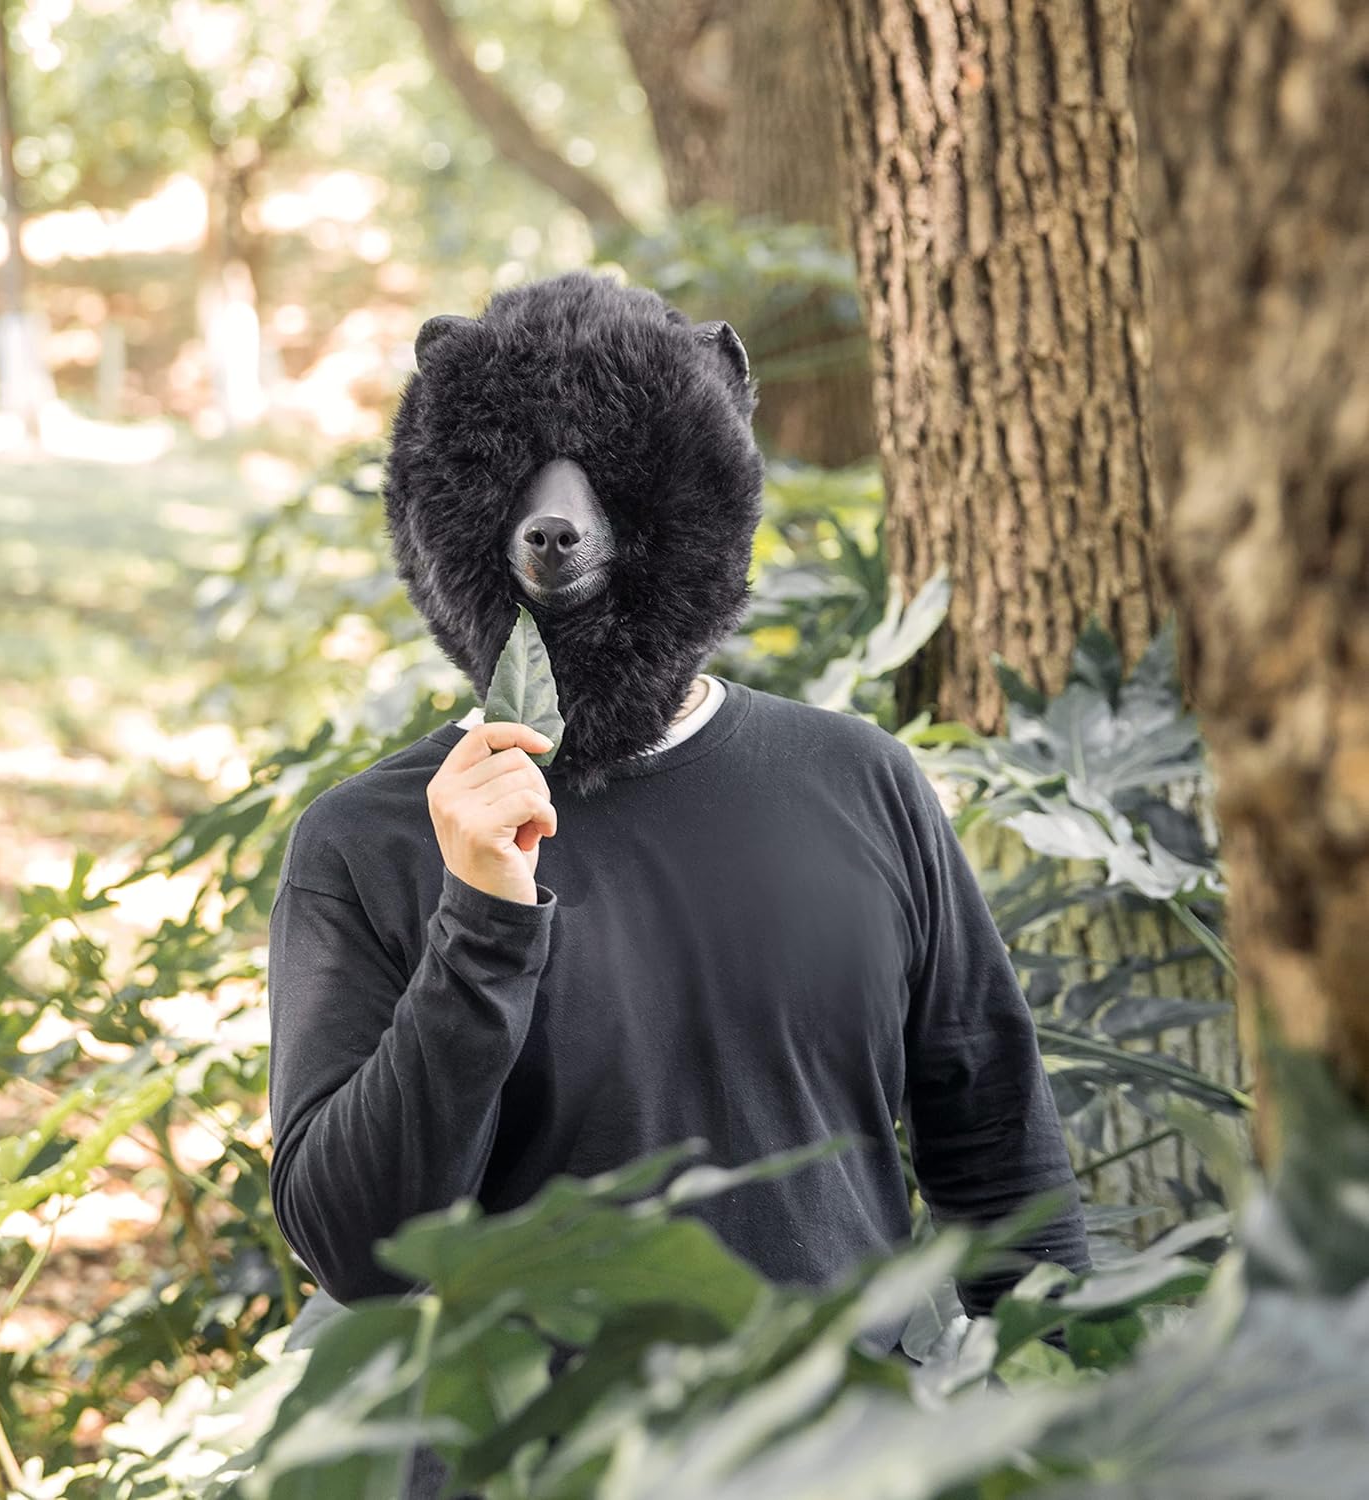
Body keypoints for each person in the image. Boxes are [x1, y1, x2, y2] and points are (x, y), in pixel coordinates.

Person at [265, 270, 1091, 1496]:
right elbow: (358, 1251)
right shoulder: (366, 844)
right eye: (522, 479)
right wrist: (478, 924)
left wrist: (1062, 1423)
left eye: (602, 475)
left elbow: (1001, 1162)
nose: (557, 520)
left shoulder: (861, 783)